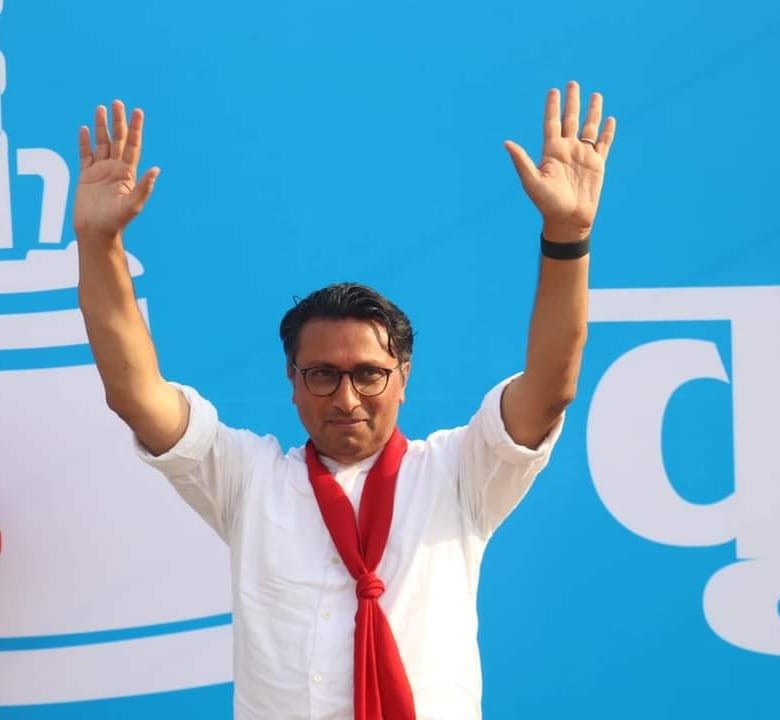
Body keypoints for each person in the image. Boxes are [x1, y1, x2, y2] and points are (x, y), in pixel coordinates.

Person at [74, 80, 616, 720]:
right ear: (292, 380)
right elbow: (136, 394)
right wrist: (100, 245)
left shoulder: (459, 474)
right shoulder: (248, 481)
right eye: (322, 375)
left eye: (369, 374)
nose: (347, 397)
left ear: (404, 377)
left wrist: (567, 235)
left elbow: (550, 388)